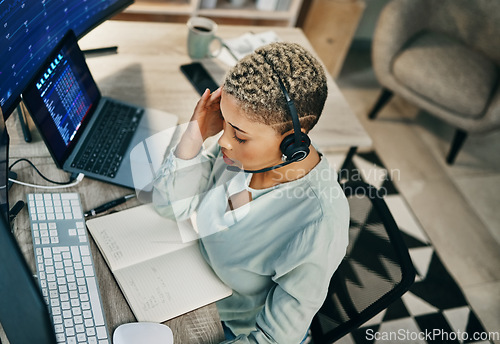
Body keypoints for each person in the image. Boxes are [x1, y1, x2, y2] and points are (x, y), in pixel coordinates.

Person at [153, 42, 349, 344]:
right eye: (224, 124)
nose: (223, 143)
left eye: (239, 136)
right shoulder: (243, 155)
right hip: (189, 273)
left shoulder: (319, 225)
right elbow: (170, 207)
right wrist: (196, 132)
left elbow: (272, 340)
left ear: (292, 145)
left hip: (224, 324)